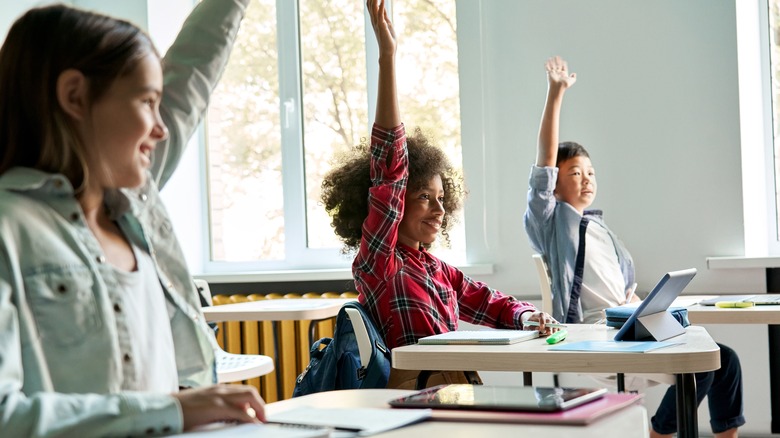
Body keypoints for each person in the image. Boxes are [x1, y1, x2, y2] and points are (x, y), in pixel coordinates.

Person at [0, 1, 268, 436]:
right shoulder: (9, 228)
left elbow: (193, 77)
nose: (161, 128)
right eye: (147, 101)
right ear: (75, 96)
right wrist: (170, 410)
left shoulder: (135, 206)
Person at [320, 0, 558, 390]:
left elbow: (489, 302)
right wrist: (387, 58)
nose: (440, 208)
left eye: (442, 198)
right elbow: (391, 169)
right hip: (420, 400)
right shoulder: (380, 264)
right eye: (425, 197)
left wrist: (526, 316)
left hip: (457, 391)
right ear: (397, 205)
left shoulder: (436, 269)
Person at [524, 55, 745, 437]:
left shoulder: (603, 231)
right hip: (593, 334)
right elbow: (542, 166)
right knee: (705, 362)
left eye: (591, 172)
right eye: (574, 172)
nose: (586, 178)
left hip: (626, 326)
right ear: (555, 186)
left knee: (724, 360)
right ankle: (660, 432)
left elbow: (624, 288)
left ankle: (666, 430)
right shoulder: (552, 222)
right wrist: (555, 95)